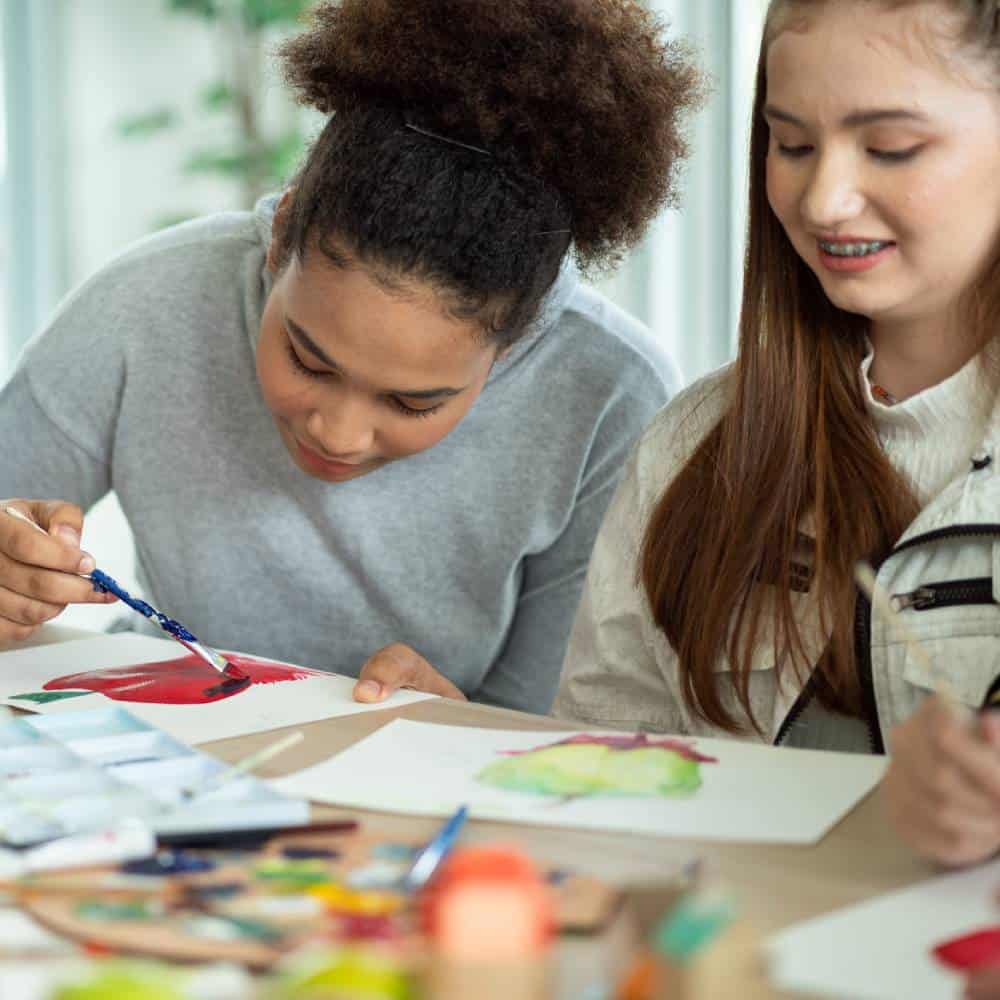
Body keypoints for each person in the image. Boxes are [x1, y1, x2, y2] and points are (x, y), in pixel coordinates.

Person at [0, 0, 703, 714]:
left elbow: (564, 726)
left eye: (412, 402)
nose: (335, 434)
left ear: (518, 338)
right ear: (279, 242)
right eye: (308, 360)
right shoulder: (145, 302)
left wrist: (466, 724)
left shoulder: (614, 396)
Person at [554, 0, 1000, 865]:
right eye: (791, 144)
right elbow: (599, 771)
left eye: (890, 148)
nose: (825, 200)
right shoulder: (695, 447)